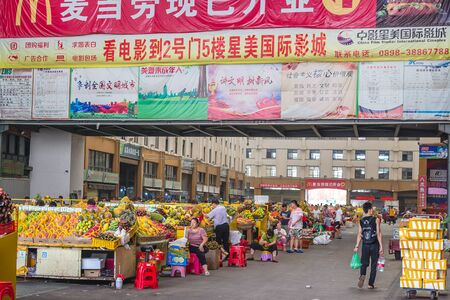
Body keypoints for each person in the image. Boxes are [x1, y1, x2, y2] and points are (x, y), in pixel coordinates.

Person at [354, 201, 383, 289]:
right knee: (374, 265)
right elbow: (378, 233)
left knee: (364, 263)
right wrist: (381, 246)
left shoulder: (361, 221)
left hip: (365, 245)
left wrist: (357, 245)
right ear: (370, 210)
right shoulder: (376, 219)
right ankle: (370, 284)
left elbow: (359, 233)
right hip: (374, 245)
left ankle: (362, 275)